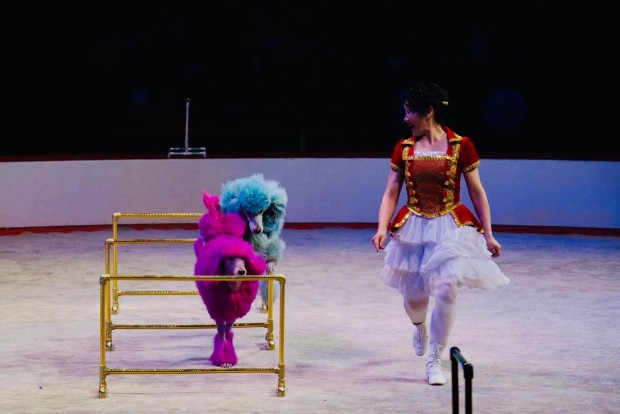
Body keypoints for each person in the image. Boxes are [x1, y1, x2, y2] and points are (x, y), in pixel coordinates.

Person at [371, 82, 510, 386]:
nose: (405, 118)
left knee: (447, 288)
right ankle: (419, 325)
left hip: (450, 227)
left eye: (409, 111)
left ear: (428, 112)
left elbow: (477, 191)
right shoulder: (404, 148)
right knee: (415, 298)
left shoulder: (462, 145)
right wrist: (382, 227)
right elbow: (391, 191)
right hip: (413, 226)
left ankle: (435, 358)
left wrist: (489, 234)